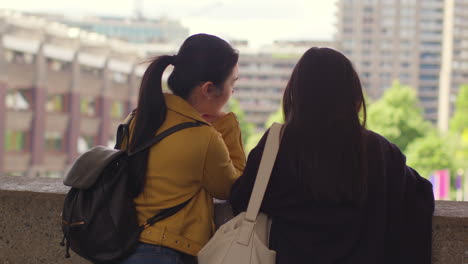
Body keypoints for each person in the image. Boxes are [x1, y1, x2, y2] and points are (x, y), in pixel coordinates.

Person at [230, 47, 434, 264]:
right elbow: (418, 196)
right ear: (352, 95)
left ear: (296, 94)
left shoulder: (277, 146)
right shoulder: (379, 151)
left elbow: (242, 198)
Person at [120, 34, 246, 264]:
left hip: (124, 245)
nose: (233, 92)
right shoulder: (204, 137)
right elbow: (234, 187)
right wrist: (228, 124)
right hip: (165, 252)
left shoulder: (138, 117)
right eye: (232, 83)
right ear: (208, 89)